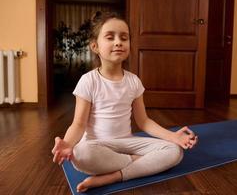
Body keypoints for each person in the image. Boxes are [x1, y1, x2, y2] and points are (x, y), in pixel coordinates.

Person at [51, 11, 198, 193]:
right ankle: (137, 163)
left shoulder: (133, 81)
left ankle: (113, 176)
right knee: (80, 154)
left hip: (127, 143)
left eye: (124, 37)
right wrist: (68, 143)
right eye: (110, 37)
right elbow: (78, 124)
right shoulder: (88, 81)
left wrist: (173, 137)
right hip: (98, 146)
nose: (118, 42)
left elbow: (144, 121)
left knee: (175, 152)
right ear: (95, 46)